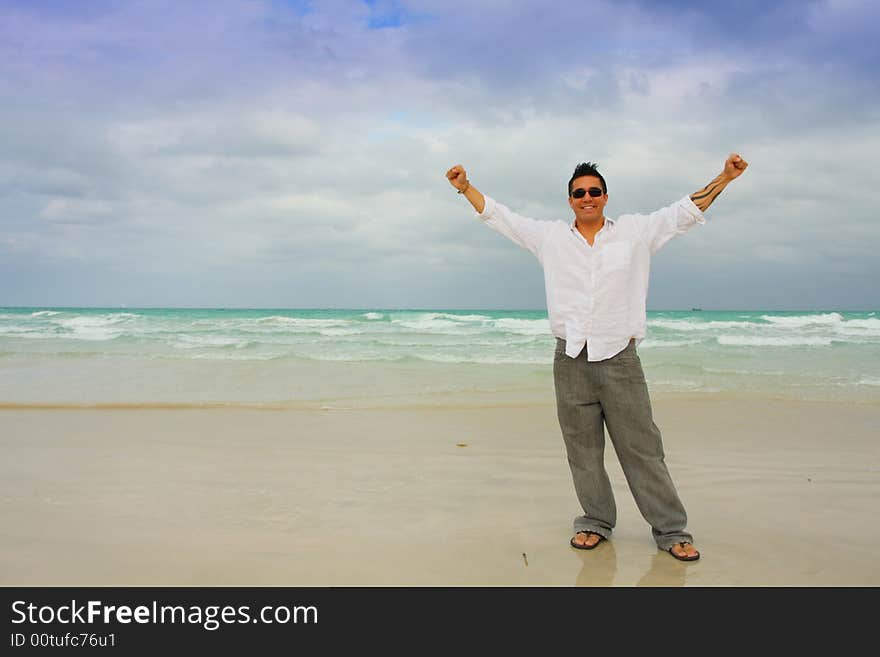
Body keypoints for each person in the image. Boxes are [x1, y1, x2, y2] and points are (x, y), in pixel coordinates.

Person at [445, 154, 749, 561]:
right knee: (582, 450)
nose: (586, 197)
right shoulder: (549, 237)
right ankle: (595, 521)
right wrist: (466, 188)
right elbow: (501, 217)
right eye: (578, 193)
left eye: (593, 191)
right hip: (569, 359)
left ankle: (671, 529)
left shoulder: (635, 232)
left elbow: (686, 210)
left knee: (642, 448)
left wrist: (725, 177)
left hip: (619, 358)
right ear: (570, 200)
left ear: (605, 197)